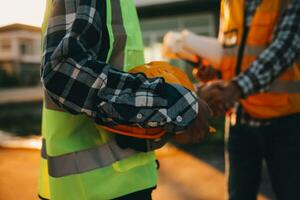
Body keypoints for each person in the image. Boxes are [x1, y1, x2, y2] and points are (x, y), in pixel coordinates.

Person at [38, 0, 210, 200]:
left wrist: (188, 96)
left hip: (119, 184)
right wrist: (175, 104)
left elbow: (124, 74)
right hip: (92, 190)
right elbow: (63, 71)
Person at [196, 0, 300, 199]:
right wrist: (216, 72)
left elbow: (285, 47)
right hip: (239, 119)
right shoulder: (229, 2)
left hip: (285, 122)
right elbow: (231, 52)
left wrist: (236, 87)